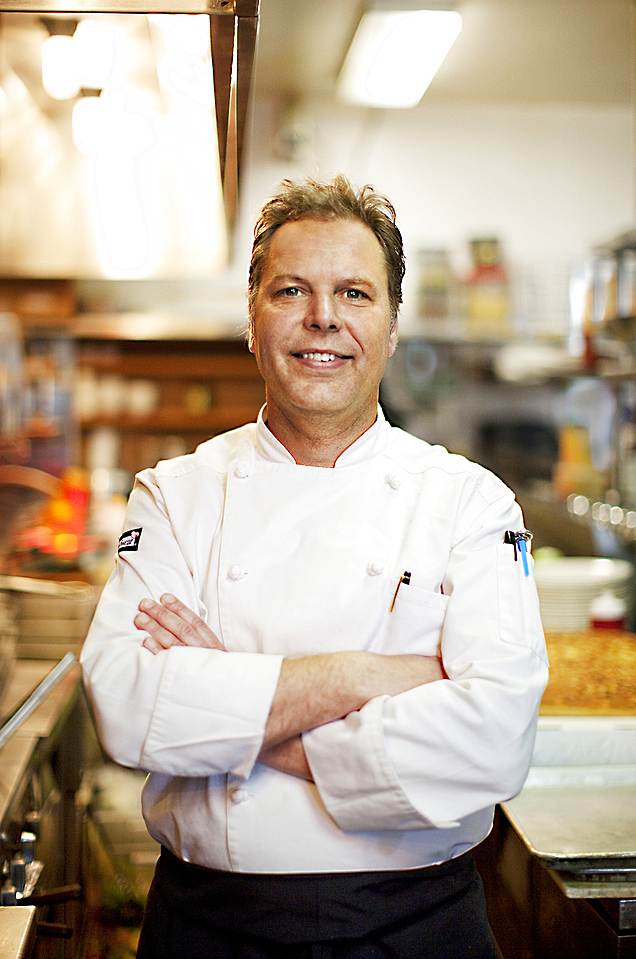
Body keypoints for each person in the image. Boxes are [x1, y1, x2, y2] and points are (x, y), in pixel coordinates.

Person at [81, 175, 548, 959]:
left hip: (417, 928)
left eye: (355, 293)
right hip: (207, 928)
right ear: (253, 321)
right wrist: (365, 675)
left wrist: (223, 694)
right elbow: (127, 706)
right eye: (290, 289)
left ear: (392, 327)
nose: (322, 317)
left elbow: (492, 741)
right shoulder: (174, 495)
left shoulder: (470, 503)